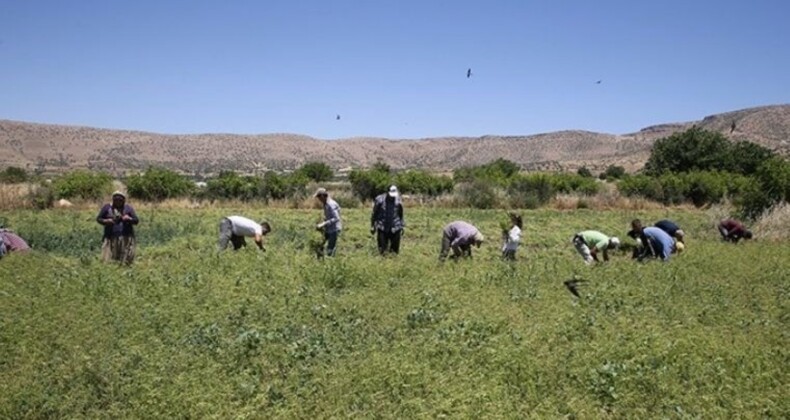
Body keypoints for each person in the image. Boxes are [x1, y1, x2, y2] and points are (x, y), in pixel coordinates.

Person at [96, 191, 139, 264]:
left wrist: (129, 219)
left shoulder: (128, 208)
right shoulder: (107, 207)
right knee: (109, 259)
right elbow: (99, 219)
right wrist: (106, 221)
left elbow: (136, 220)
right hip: (110, 236)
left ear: (123, 200)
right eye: (116, 200)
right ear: (113, 200)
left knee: (126, 258)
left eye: (120, 200)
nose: (118, 202)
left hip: (126, 236)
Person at [370, 185, 405, 255]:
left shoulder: (398, 201)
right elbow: (374, 213)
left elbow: (401, 214)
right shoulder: (380, 200)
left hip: (395, 227)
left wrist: (402, 225)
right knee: (382, 251)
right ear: (387, 192)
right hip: (382, 227)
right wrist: (373, 225)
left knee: (394, 252)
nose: (392, 197)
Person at [315, 187, 342, 257]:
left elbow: (336, 218)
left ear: (323, 196)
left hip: (334, 229)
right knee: (320, 245)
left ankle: (331, 263)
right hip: (328, 229)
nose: (318, 199)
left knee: (330, 249)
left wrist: (324, 224)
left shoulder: (331, 204)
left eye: (319, 196)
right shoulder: (325, 204)